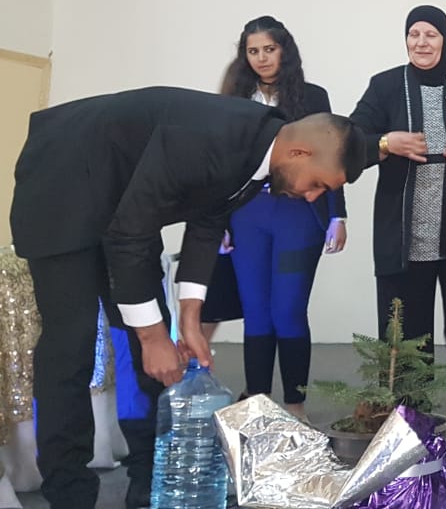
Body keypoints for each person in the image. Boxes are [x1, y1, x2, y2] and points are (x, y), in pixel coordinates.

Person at [8, 86, 366, 509]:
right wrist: (152, 337)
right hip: (62, 186)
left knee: (152, 346)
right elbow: (129, 235)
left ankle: (147, 474)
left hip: (125, 207)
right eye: (318, 184)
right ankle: (69, 491)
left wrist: (189, 319)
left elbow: (207, 223)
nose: (313, 196)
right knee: (72, 343)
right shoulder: (208, 140)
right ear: (299, 153)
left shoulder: (258, 151)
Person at [349, 5, 446, 451]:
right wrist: (385, 142)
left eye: (431, 34)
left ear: (445, 39)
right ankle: (410, 423)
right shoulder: (386, 85)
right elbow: (349, 140)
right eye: (414, 34)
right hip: (402, 238)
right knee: (406, 340)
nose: (422, 42)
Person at [215, 16, 348, 422]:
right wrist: (216, 222)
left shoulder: (312, 97)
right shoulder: (233, 100)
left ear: (284, 50)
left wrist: (338, 215)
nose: (261, 58)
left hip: (298, 215)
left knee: (287, 311)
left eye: (269, 49)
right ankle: (257, 404)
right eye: (253, 51)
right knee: (256, 312)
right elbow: (219, 164)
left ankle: (295, 406)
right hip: (247, 216)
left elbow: (332, 156)